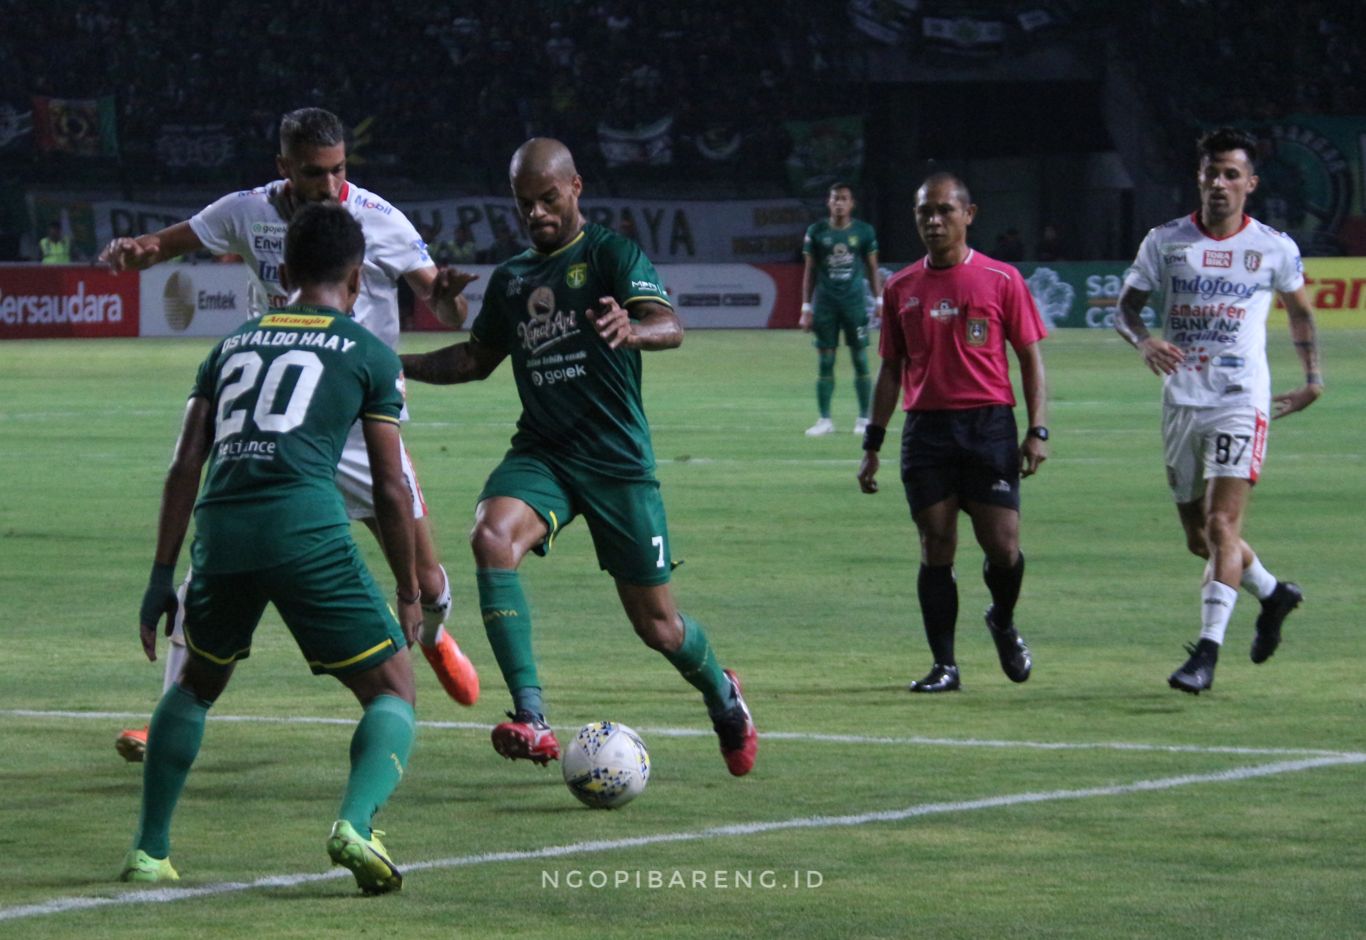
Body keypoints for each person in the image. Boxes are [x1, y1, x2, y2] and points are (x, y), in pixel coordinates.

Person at [100, 108, 479, 761]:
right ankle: (169, 713)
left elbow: (440, 300)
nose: (330, 184)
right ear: (284, 168)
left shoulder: (379, 218)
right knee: (210, 566)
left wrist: (447, 297)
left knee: (422, 571)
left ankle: (436, 631)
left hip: (361, 421)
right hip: (283, 420)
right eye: (314, 172)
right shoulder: (246, 211)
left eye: (338, 170)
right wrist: (135, 253)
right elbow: (169, 243)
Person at [400, 137, 758, 775]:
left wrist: (634, 330)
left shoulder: (611, 254)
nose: (536, 213)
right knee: (490, 538)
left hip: (616, 461)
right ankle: (531, 718)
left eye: (547, 198)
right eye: (524, 203)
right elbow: (474, 360)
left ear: (575, 189)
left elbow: (669, 325)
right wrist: (390, 368)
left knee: (659, 628)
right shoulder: (512, 279)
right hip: (544, 454)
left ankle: (724, 696)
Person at [120, 203, 420, 893]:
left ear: (282, 273)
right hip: (306, 529)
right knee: (392, 692)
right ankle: (355, 824)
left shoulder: (228, 347)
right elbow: (391, 489)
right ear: (356, 280)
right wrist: (408, 590)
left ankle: (149, 851)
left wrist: (162, 574)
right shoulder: (369, 353)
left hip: (220, 530)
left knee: (197, 683)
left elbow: (183, 465)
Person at [1115, 126, 1322, 694]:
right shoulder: (1166, 242)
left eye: (1233, 174)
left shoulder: (1274, 247)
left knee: (1221, 524)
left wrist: (1312, 380)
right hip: (1182, 401)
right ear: (1199, 178)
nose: (1221, 184)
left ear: (1251, 183)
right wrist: (1144, 342)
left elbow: (1300, 312)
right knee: (1198, 539)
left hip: (1240, 401)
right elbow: (1125, 310)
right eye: (1212, 173)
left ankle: (1205, 654)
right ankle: (1274, 595)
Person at [857, 172, 1048, 693]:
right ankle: (945, 665)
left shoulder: (1002, 279)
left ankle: (1002, 621)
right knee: (935, 544)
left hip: (987, 425)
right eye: (924, 212)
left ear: (969, 214)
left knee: (1003, 548)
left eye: (944, 210)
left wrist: (1038, 431)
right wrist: (872, 444)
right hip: (927, 431)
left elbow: (1029, 357)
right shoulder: (900, 287)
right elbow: (891, 370)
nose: (934, 221)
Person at [800, 183, 881, 437]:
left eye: (843, 199)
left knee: (860, 358)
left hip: (854, 303)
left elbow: (872, 268)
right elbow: (810, 271)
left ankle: (863, 419)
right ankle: (825, 420)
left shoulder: (864, 232)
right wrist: (806, 306)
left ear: (851, 203)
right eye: (835, 198)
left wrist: (879, 301)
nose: (838, 203)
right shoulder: (816, 232)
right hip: (826, 304)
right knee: (826, 361)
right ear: (828, 202)